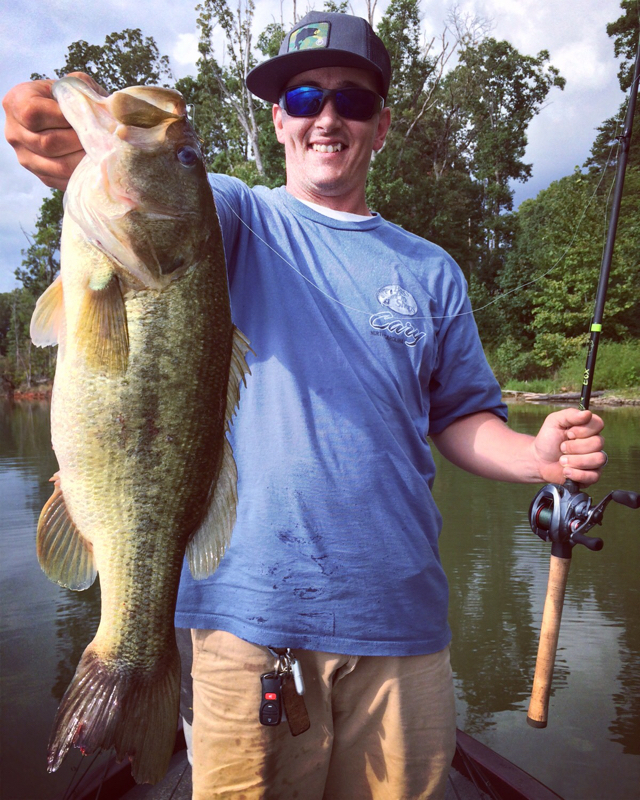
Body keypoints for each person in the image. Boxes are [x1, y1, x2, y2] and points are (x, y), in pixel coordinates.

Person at [3, 11, 606, 800]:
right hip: (246, 629)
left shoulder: (432, 272)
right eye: (304, 96)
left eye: (352, 102)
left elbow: (459, 414)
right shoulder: (235, 221)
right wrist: (54, 129)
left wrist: (535, 455)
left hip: (403, 625)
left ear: (381, 126)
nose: (328, 116)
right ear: (279, 121)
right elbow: (137, 199)